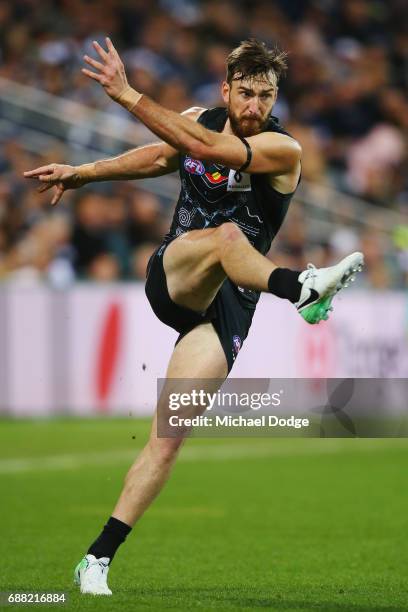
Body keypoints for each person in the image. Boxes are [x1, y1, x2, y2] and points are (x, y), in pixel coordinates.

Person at [24, 37, 363, 596]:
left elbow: (211, 149)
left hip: (228, 308)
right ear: (226, 88)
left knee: (169, 434)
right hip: (178, 275)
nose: (255, 106)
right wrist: (87, 172)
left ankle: (96, 560)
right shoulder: (196, 120)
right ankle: (300, 289)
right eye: (247, 93)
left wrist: (128, 95)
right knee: (227, 235)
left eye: (267, 95)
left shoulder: (285, 150)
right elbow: (162, 155)